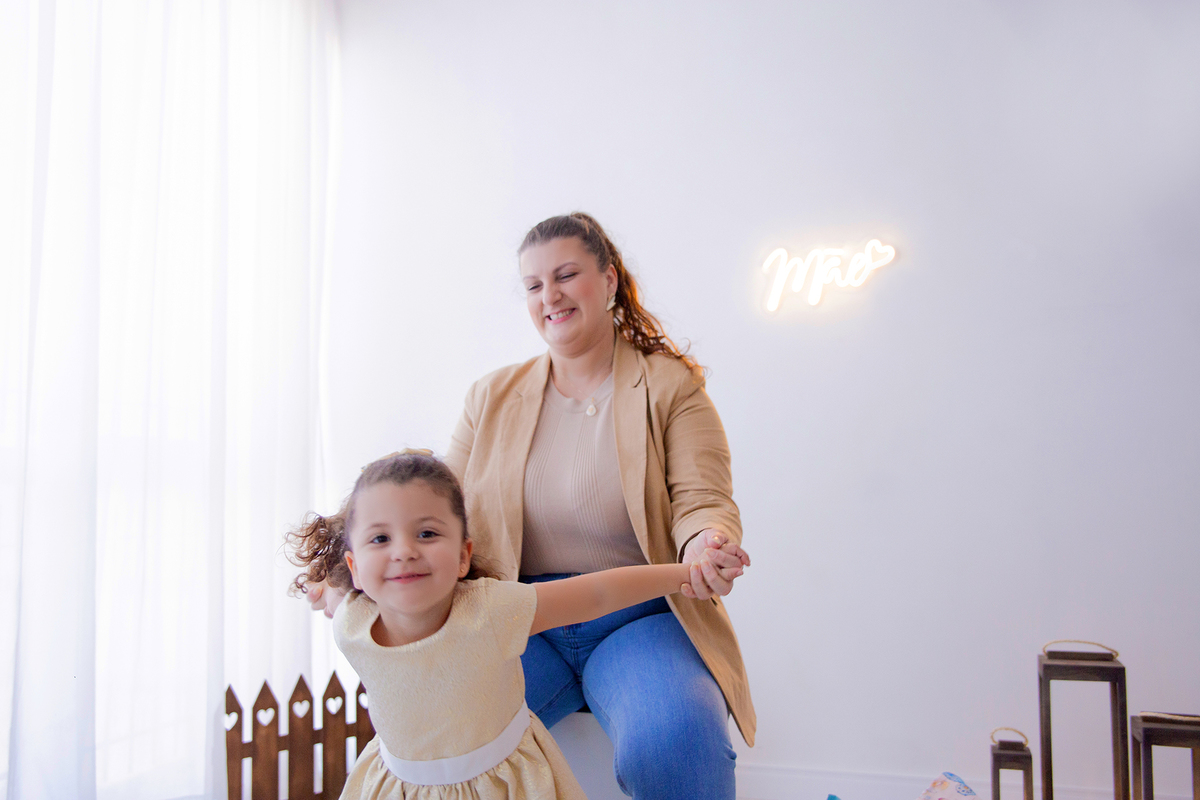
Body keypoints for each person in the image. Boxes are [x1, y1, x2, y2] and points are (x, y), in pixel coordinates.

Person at [308, 212, 755, 799]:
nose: (551, 295)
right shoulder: (489, 396)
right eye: (534, 285)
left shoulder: (671, 386)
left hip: (639, 616)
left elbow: (702, 499)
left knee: (673, 746)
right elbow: (441, 510)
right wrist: (353, 563)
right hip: (515, 619)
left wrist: (705, 543)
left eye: (566, 274)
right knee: (438, 737)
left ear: (611, 280)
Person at [288, 450, 741, 800]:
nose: (403, 550)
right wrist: (323, 586)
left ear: (464, 555)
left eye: (426, 533)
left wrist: (686, 575)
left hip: (502, 786)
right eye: (380, 538)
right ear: (355, 564)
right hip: (400, 786)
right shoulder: (351, 618)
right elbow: (334, 593)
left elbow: (598, 594)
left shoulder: (490, 611)